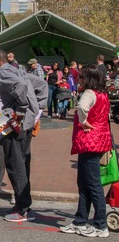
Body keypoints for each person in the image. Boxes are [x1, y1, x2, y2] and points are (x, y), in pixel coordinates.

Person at [60, 64, 112, 238]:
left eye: (81, 77)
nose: (78, 79)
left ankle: (100, 225)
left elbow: (82, 107)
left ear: (89, 78)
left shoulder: (89, 93)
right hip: (99, 140)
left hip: (89, 142)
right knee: (85, 183)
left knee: (91, 185)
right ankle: (80, 220)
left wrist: (83, 122)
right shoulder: (102, 94)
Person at [0, 49, 38, 222]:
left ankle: (22, 208)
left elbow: (21, 86)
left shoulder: (4, 72)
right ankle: (23, 205)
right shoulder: (17, 69)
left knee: (14, 164)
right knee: (21, 164)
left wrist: (20, 109)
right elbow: (40, 85)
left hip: (14, 124)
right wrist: (33, 109)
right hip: (23, 123)